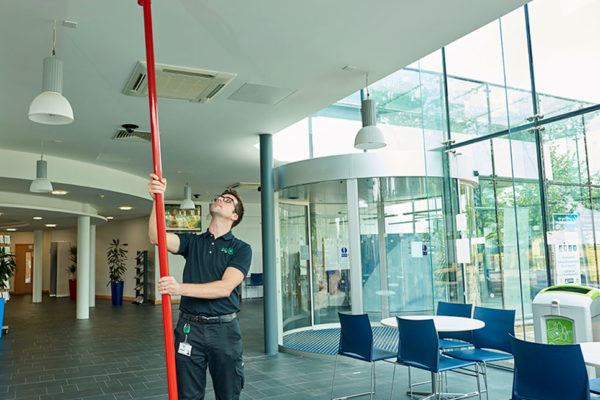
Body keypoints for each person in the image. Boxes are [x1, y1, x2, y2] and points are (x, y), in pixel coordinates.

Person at [148, 173, 252, 400]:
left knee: (228, 394)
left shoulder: (241, 249)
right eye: (220, 197)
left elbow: (225, 288)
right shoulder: (193, 242)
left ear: (234, 216)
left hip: (224, 332)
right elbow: (157, 236)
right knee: (188, 395)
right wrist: (157, 198)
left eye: (228, 200)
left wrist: (179, 288)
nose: (221, 199)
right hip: (188, 329)